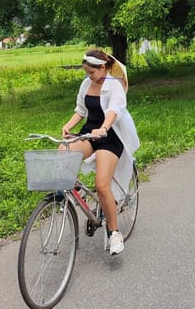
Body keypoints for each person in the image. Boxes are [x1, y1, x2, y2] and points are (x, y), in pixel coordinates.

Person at [60, 49, 140, 256]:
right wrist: (67, 127)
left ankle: (114, 233)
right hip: (90, 133)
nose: (89, 77)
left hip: (110, 136)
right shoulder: (87, 84)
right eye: (86, 73)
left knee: (102, 184)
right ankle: (74, 197)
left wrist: (104, 128)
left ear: (103, 67)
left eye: (92, 73)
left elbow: (114, 111)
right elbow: (81, 110)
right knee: (63, 150)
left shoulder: (115, 86)